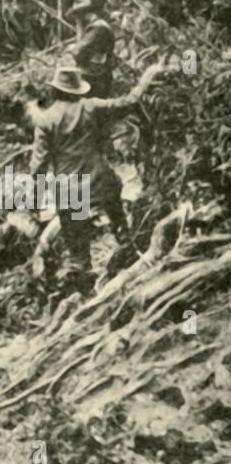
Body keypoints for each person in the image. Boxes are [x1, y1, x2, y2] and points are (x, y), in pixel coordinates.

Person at [26, 59, 165, 295]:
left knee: (79, 250)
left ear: (55, 90)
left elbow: (38, 165)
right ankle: (127, 244)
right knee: (117, 213)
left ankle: (83, 289)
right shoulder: (92, 107)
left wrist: (35, 202)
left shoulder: (46, 119)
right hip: (99, 182)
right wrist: (148, 76)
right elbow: (129, 102)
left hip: (71, 192)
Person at [68, 0, 115, 98]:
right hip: (96, 76)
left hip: (96, 79)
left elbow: (78, 53)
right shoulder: (96, 27)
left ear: (84, 13)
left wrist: (72, 48)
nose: (77, 19)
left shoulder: (98, 29)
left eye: (77, 15)